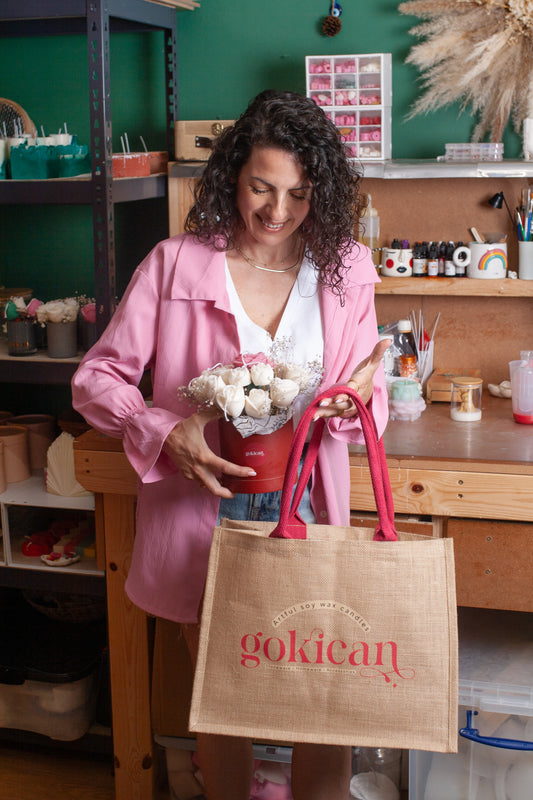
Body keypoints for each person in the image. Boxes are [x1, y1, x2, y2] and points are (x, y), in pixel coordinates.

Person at [71, 89, 390, 800]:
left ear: (322, 191)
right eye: (261, 187)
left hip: (306, 504)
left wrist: (359, 399)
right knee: (224, 699)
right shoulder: (175, 264)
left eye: (300, 193)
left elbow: (361, 399)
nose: (278, 210)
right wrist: (161, 428)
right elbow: (96, 379)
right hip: (205, 508)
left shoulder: (345, 270)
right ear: (231, 175)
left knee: (321, 694)